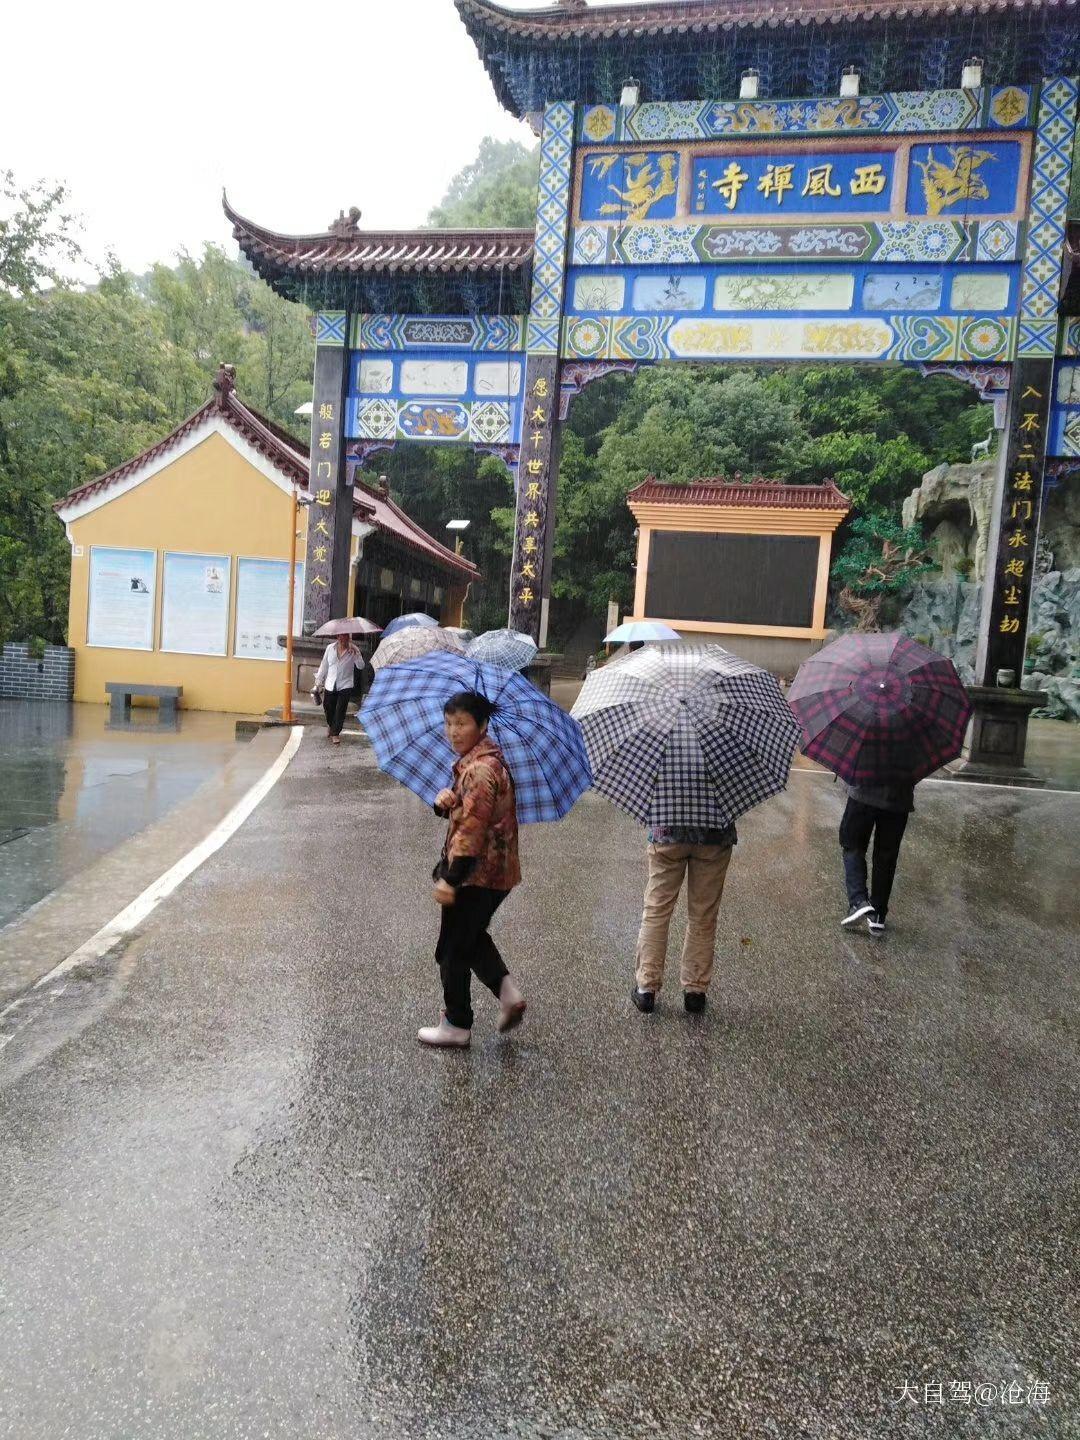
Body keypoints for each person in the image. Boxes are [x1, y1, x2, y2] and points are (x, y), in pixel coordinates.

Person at [420, 691, 525, 1049]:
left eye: (462, 723)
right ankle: (509, 995)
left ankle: (456, 1024)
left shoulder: (480, 770)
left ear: (482, 725)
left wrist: (451, 879)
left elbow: (471, 830)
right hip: (495, 872)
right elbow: (465, 810)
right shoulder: (478, 762)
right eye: (449, 723)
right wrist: (443, 802)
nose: (453, 731)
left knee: (451, 948)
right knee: (470, 937)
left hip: (477, 873)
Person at [631, 821, 737, 1015]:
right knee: (703, 916)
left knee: (656, 912)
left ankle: (646, 989)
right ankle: (695, 991)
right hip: (714, 836)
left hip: (668, 832)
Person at [839, 779, 916, 935]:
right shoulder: (913, 753)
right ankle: (878, 915)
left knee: (853, 844)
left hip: (863, 791)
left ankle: (858, 901)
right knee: (887, 855)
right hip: (900, 797)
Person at [312, 634, 365, 744]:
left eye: (346, 638)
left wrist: (357, 655)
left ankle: (335, 733)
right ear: (338, 637)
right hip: (330, 683)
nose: (343, 640)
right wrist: (318, 681)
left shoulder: (353, 650)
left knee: (340, 710)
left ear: (349, 639)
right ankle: (331, 726)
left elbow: (361, 666)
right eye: (341, 637)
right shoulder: (330, 648)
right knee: (328, 707)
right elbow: (324, 665)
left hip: (345, 684)